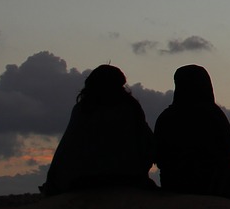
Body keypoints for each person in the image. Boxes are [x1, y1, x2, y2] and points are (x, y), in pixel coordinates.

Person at [41, 64, 155, 196]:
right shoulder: (130, 107)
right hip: (128, 179)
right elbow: (148, 145)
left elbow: (66, 150)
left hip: (85, 181)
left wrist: (53, 183)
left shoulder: (83, 109)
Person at [153, 64, 230, 201]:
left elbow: (158, 154)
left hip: (174, 185)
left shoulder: (166, 117)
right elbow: (229, 146)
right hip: (213, 187)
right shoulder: (213, 115)